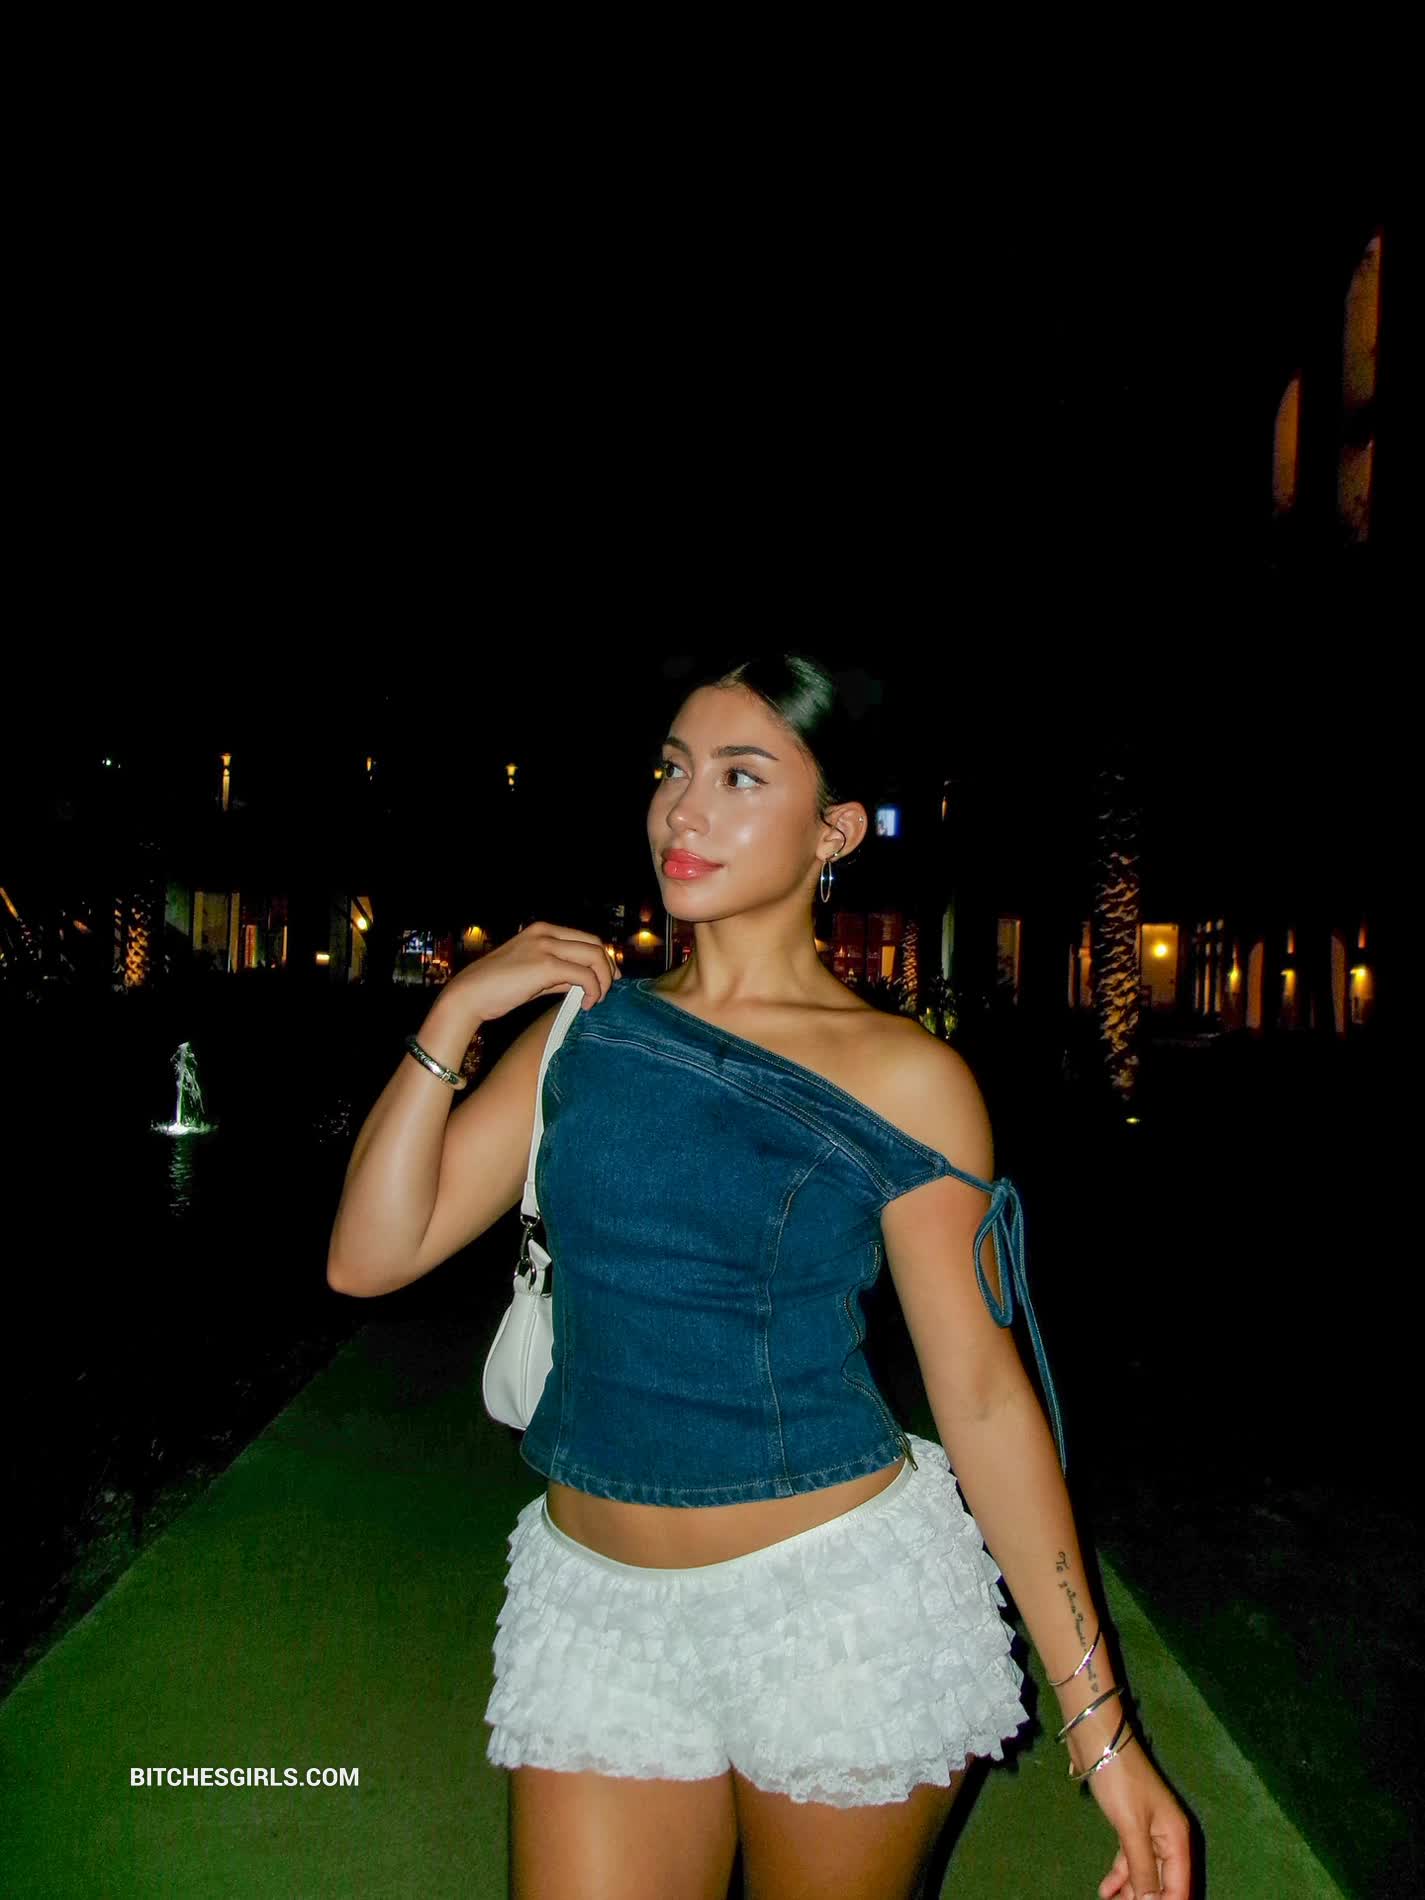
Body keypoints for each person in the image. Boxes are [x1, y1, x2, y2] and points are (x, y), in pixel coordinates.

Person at [327, 653, 1192, 1900]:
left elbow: (983, 1396)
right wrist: (457, 1011)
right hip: (596, 1608)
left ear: (835, 831)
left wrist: (1103, 1730)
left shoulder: (903, 1074)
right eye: (673, 770)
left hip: (833, 1612)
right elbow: (368, 1255)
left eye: (742, 776)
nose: (684, 811)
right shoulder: (587, 1030)